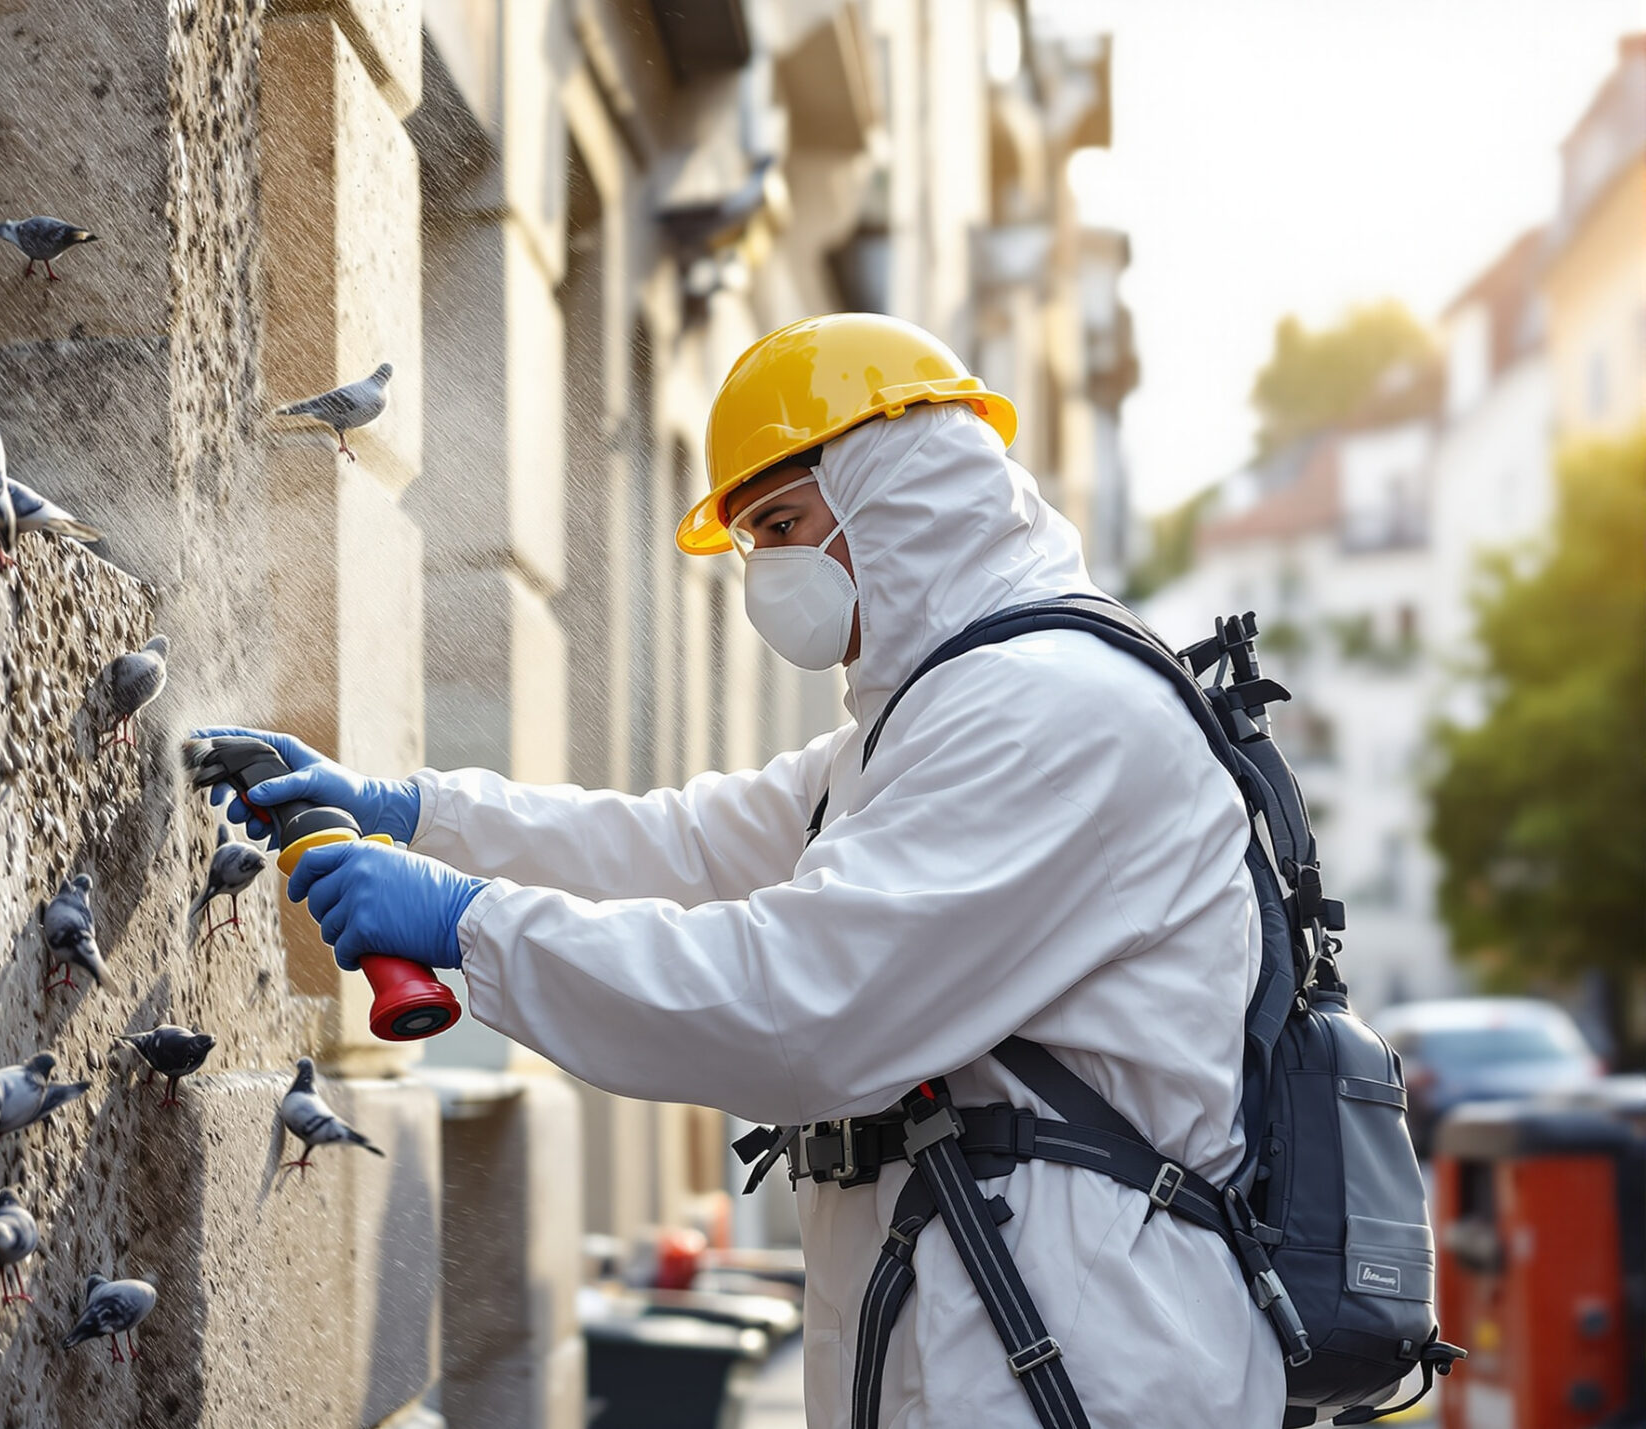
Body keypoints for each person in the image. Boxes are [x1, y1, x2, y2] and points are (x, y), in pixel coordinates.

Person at [201, 314, 1282, 1427]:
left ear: (894, 486)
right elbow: (680, 847)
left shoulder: (1046, 713)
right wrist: (415, 812)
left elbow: (801, 1004)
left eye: (780, 524)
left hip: (1091, 1363)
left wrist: (465, 924)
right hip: (1019, 1341)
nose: (766, 573)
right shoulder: (929, 722)